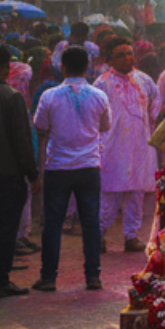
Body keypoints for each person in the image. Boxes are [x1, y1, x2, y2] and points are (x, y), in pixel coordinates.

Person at [31, 46, 111, 292]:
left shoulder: (50, 95)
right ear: (87, 66)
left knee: (53, 223)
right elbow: (105, 126)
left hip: (58, 166)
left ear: (63, 67)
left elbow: (40, 126)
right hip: (88, 166)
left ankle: (48, 277)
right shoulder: (98, 96)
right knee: (90, 222)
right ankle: (93, 276)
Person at [93, 37, 159, 253]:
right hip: (112, 148)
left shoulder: (145, 81)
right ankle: (98, 235)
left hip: (140, 146)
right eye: (120, 55)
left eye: (129, 53)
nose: (127, 58)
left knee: (136, 194)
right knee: (109, 196)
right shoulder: (102, 83)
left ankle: (131, 236)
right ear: (109, 59)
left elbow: (154, 110)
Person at [0, 48, 38, 297]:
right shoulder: (11, 98)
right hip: (8, 174)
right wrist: (32, 174)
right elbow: (21, 141)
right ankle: (2, 280)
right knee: (5, 229)